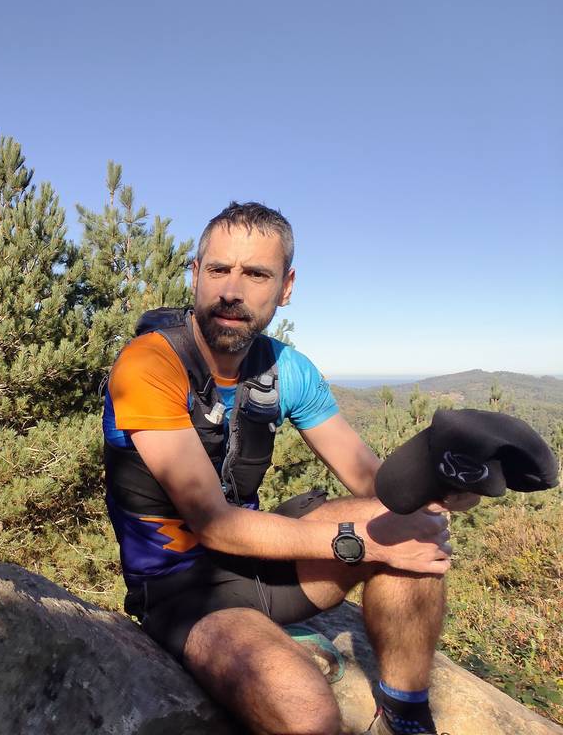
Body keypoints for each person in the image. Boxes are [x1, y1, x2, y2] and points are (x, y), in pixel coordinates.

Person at [103, 202, 477, 735]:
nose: (232, 290)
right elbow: (213, 522)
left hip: (263, 563)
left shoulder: (287, 370)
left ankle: (405, 711)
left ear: (286, 287)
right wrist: (362, 543)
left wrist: (446, 489)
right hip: (180, 587)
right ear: (195, 274)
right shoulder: (151, 365)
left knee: (410, 527)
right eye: (219, 269)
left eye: (257, 274)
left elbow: (376, 485)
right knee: (306, 713)